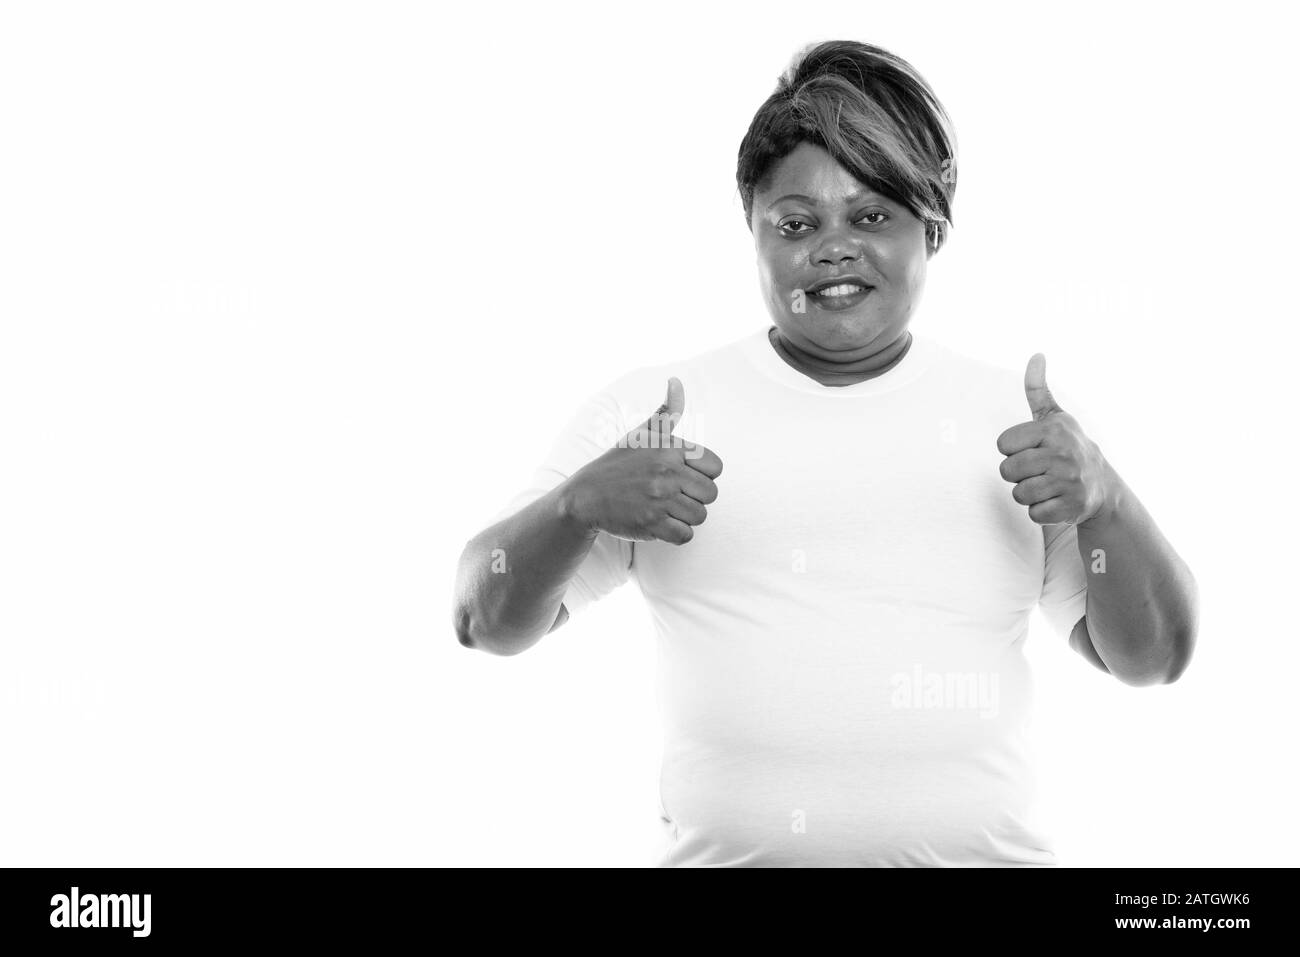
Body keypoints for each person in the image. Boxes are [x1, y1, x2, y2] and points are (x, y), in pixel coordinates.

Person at [452, 39, 1198, 867]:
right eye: (796, 223)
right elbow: (480, 617)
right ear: (755, 234)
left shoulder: (1021, 422)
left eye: (871, 216)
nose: (832, 248)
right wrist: (574, 506)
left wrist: (1106, 500)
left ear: (933, 228)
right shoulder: (659, 414)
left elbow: (1157, 660)